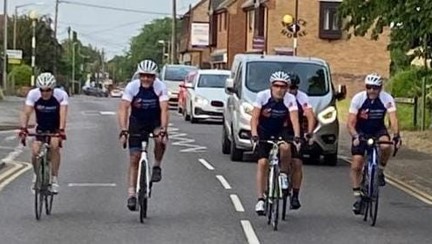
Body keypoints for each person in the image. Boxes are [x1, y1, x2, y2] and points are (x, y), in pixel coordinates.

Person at [118, 59, 169, 211]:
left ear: (155, 77)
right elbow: (124, 108)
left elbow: (165, 109)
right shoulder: (132, 87)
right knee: (135, 158)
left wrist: (164, 129)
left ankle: (157, 165)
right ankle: (132, 194)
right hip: (136, 122)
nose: (146, 79)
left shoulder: (160, 87)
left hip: (154, 120)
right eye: (143, 76)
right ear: (139, 76)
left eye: (150, 76)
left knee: (160, 139)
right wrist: (123, 129)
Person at [347, 73, 402, 214]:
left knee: (386, 145)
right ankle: (358, 196)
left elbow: (393, 118)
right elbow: (350, 122)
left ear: (380, 88)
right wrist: (355, 135)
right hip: (360, 131)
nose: (372, 91)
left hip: (378, 129)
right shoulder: (358, 99)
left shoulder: (386, 98)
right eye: (369, 87)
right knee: (357, 164)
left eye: (375, 88)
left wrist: (396, 135)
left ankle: (380, 171)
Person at [250, 71, 302, 216]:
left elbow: (294, 119)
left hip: (281, 130)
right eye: (276, 86)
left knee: (285, 148)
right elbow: (254, 118)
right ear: (271, 86)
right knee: (262, 163)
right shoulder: (262, 96)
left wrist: (297, 136)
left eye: (283, 86)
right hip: (264, 130)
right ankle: (260, 199)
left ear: (287, 88)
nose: (279, 89)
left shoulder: (290, 98)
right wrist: (254, 134)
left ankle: (284, 175)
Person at [19, 72, 69, 194]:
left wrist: (61, 130)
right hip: (41, 127)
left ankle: (54, 179)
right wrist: (24, 129)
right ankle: (36, 177)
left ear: (52, 89)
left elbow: (63, 113)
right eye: (42, 90)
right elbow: (26, 112)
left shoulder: (61, 95)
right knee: (35, 151)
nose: (45, 93)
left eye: (48, 90)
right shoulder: (33, 94)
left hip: (55, 128)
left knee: (54, 146)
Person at [283, 73, 316, 210]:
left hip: (295, 131)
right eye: (289, 87)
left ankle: (295, 196)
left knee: (297, 163)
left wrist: (309, 132)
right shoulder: (279, 96)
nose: (291, 90)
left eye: (294, 87)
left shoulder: (302, 97)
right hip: (280, 129)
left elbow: (310, 115)